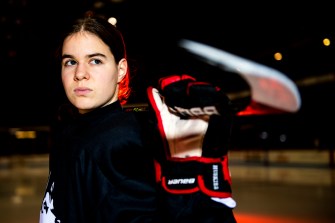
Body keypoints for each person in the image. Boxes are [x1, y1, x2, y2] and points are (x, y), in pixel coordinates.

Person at [39, 11, 237, 223]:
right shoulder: (69, 130)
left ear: (121, 70)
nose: (80, 73)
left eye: (95, 61)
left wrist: (201, 208)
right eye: (70, 62)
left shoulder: (121, 140)